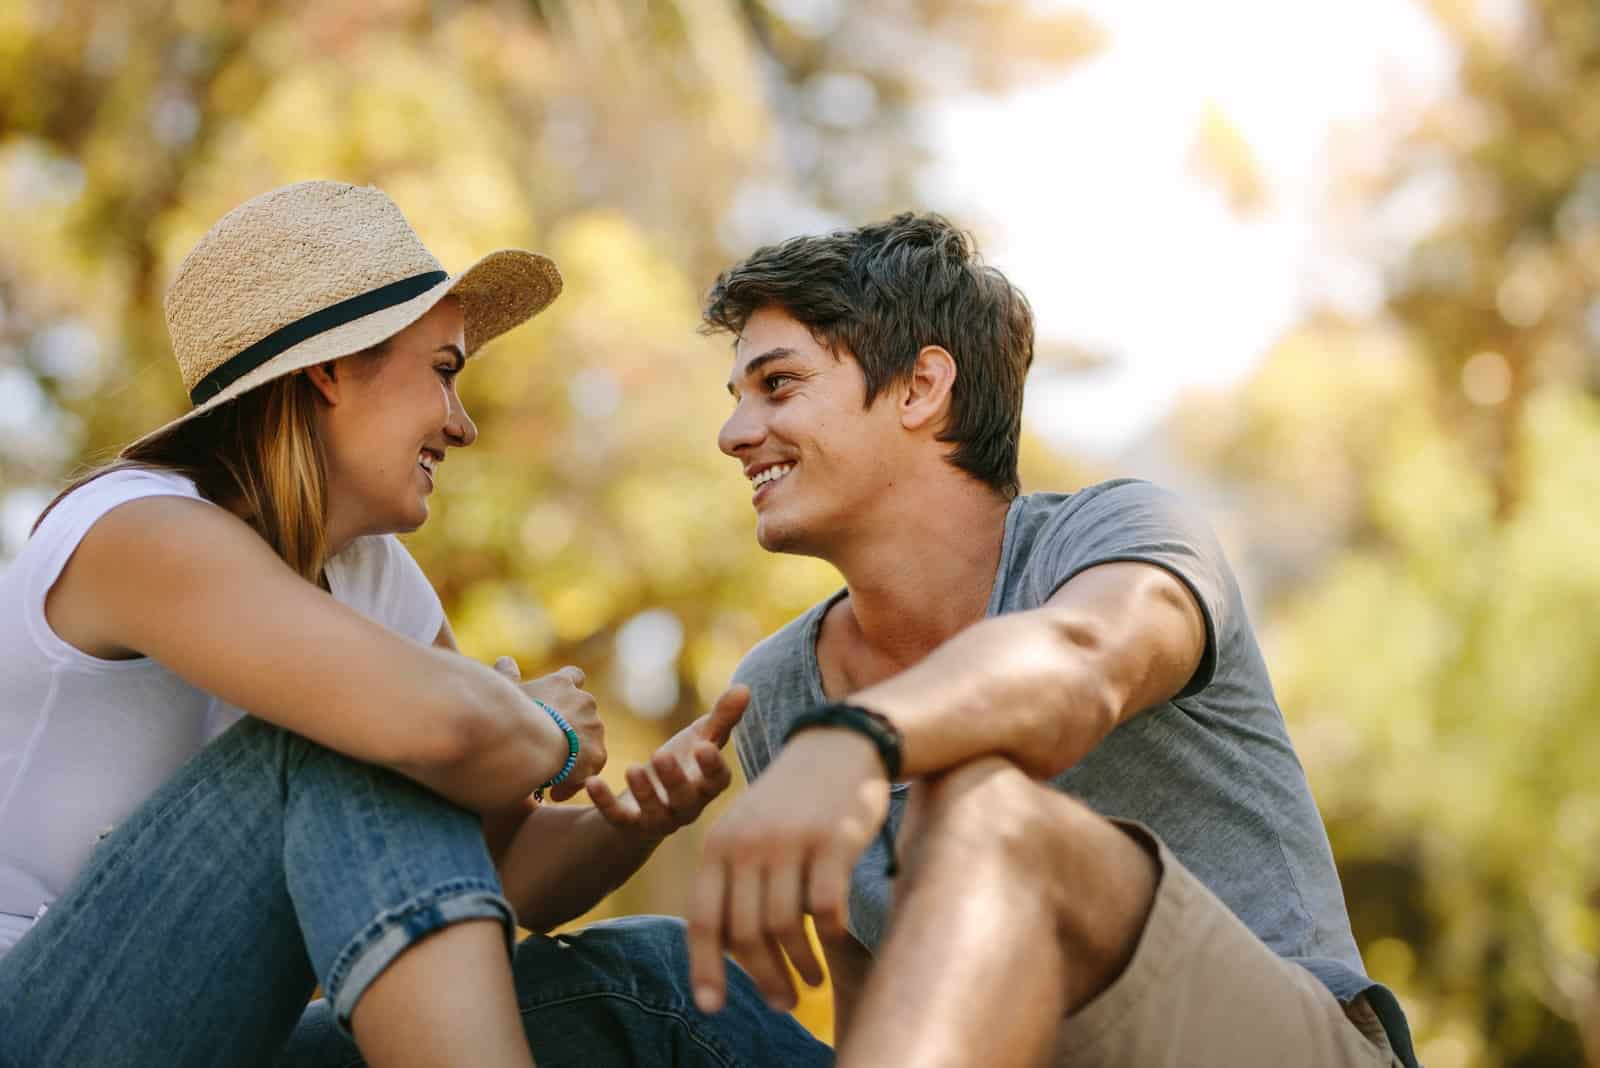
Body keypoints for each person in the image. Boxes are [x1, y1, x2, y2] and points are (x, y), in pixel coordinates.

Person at [0, 181, 830, 1068]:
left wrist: (626, 822)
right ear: (329, 368)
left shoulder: (372, 577)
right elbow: (445, 728)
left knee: (648, 983)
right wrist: (537, 725)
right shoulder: (137, 530)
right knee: (341, 742)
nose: (462, 424)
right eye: (443, 370)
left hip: (224, 1040)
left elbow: (487, 875)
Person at [685, 213, 1422, 1067]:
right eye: (738, 398)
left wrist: (859, 738)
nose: (734, 434)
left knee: (983, 813)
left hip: (1290, 1046)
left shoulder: (1120, 534)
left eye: (777, 385)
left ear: (922, 387)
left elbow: (1079, 663)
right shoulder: (776, 691)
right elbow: (873, 1003)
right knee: (633, 975)